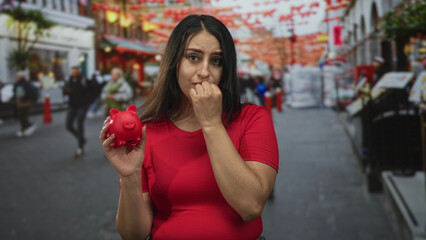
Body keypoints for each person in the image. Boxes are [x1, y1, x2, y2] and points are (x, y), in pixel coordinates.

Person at [100, 15, 279, 240]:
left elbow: (251, 206)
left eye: (216, 61)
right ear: (175, 63)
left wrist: (211, 124)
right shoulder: (148, 130)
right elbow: (134, 234)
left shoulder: (251, 118)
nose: (204, 71)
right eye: (193, 57)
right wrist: (129, 176)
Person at [64, 66, 90, 158]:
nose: (73, 73)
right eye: (72, 71)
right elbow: (65, 90)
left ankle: (80, 146)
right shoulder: (69, 80)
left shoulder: (83, 80)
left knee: (79, 124)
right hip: (72, 105)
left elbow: (89, 91)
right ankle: (82, 139)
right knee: (68, 125)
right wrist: (66, 91)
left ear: (78, 72)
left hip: (82, 106)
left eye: (75, 71)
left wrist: (87, 102)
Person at [13, 71, 38, 137]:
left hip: (25, 101)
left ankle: (28, 126)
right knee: (20, 115)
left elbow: (29, 92)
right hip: (19, 101)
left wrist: (25, 98)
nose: (17, 78)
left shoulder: (26, 84)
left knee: (22, 115)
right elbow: (15, 92)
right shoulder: (17, 84)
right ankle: (24, 128)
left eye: (18, 76)